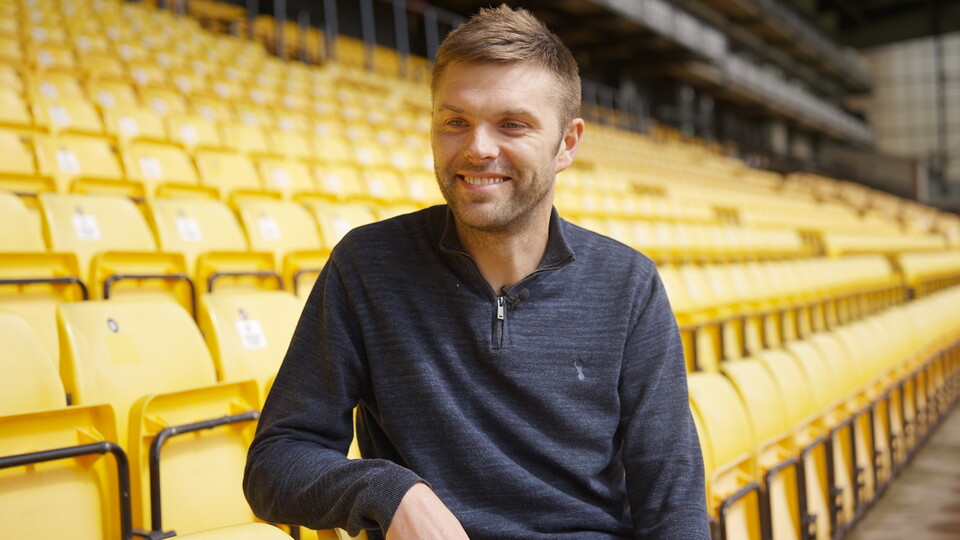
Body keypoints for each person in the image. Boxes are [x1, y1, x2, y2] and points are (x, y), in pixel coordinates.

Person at [244, 5, 710, 539]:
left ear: (567, 144)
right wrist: (389, 491)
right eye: (455, 122)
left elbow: (672, 503)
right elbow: (275, 463)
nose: (477, 148)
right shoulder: (366, 265)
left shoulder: (629, 285)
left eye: (512, 124)